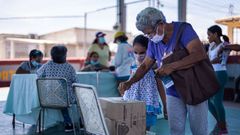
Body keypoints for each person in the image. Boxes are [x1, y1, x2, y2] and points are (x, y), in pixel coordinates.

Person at [118, 7, 208, 135]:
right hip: (173, 90)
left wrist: (172, 66)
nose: (148, 37)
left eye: (149, 33)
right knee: (175, 130)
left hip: (194, 87)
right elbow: (144, 66)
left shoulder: (184, 30)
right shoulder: (154, 42)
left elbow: (199, 54)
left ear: (160, 24)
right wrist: (129, 82)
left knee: (199, 130)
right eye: (146, 34)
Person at [123, 35, 167, 131]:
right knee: (132, 129)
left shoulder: (154, 68)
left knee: (145, 130)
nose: (138, 56)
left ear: (149, 51)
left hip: (147, 105)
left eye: (142, 52)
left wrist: (165, 105)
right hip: (132, 103)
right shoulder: (132, 66)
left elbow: (160, 86)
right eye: (135, 52)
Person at [37, 45, 76, 132]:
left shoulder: (47, 65)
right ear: (64, 56)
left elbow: (38, 75)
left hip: (46, 99)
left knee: (59, 95)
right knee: (76, 99)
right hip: (64, 100)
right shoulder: (69, 67)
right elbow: (76, 82)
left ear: (52, 56)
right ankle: (74, 123)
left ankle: (68, 122)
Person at [207, 25, 229, 134]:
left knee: (217, 100)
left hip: (220, 74)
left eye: (209, 35)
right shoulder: (211, 46)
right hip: (213, 74)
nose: (208, 37)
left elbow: (218, 60)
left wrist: (225, 48)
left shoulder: (223, 45)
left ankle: (223, 127)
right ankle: (221, 123)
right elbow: (208, 60)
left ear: (216, 34)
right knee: (208, 100)